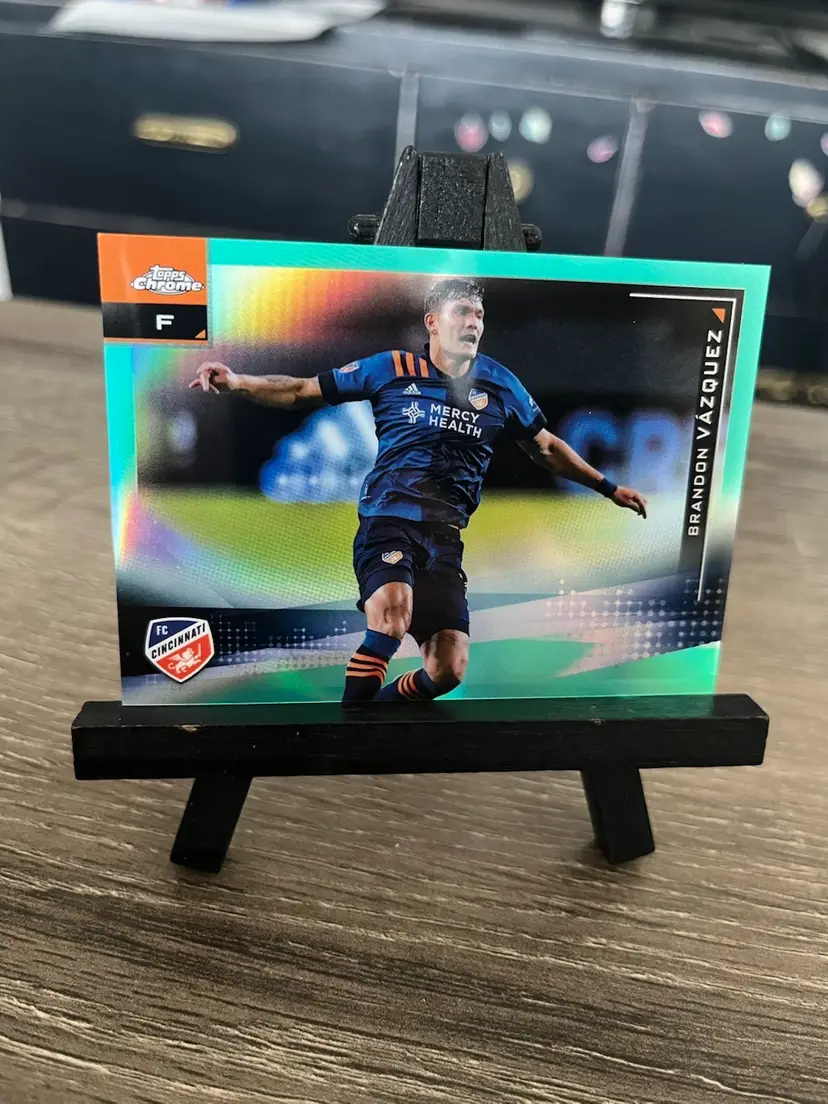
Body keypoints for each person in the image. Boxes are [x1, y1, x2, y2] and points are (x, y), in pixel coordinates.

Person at [190, 277, 647, 704]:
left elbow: (545, 447)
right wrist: (238, 382)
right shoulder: (390, 368)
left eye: (479, 315)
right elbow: (299, 390)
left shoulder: (500, 383)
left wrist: (608, 487)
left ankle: (376, 711)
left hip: (444, 538)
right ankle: (348, 730)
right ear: (433, 321)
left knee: (447, 670)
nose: (472, 323)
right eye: (461, 312)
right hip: (388, 522)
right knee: (392, 617)